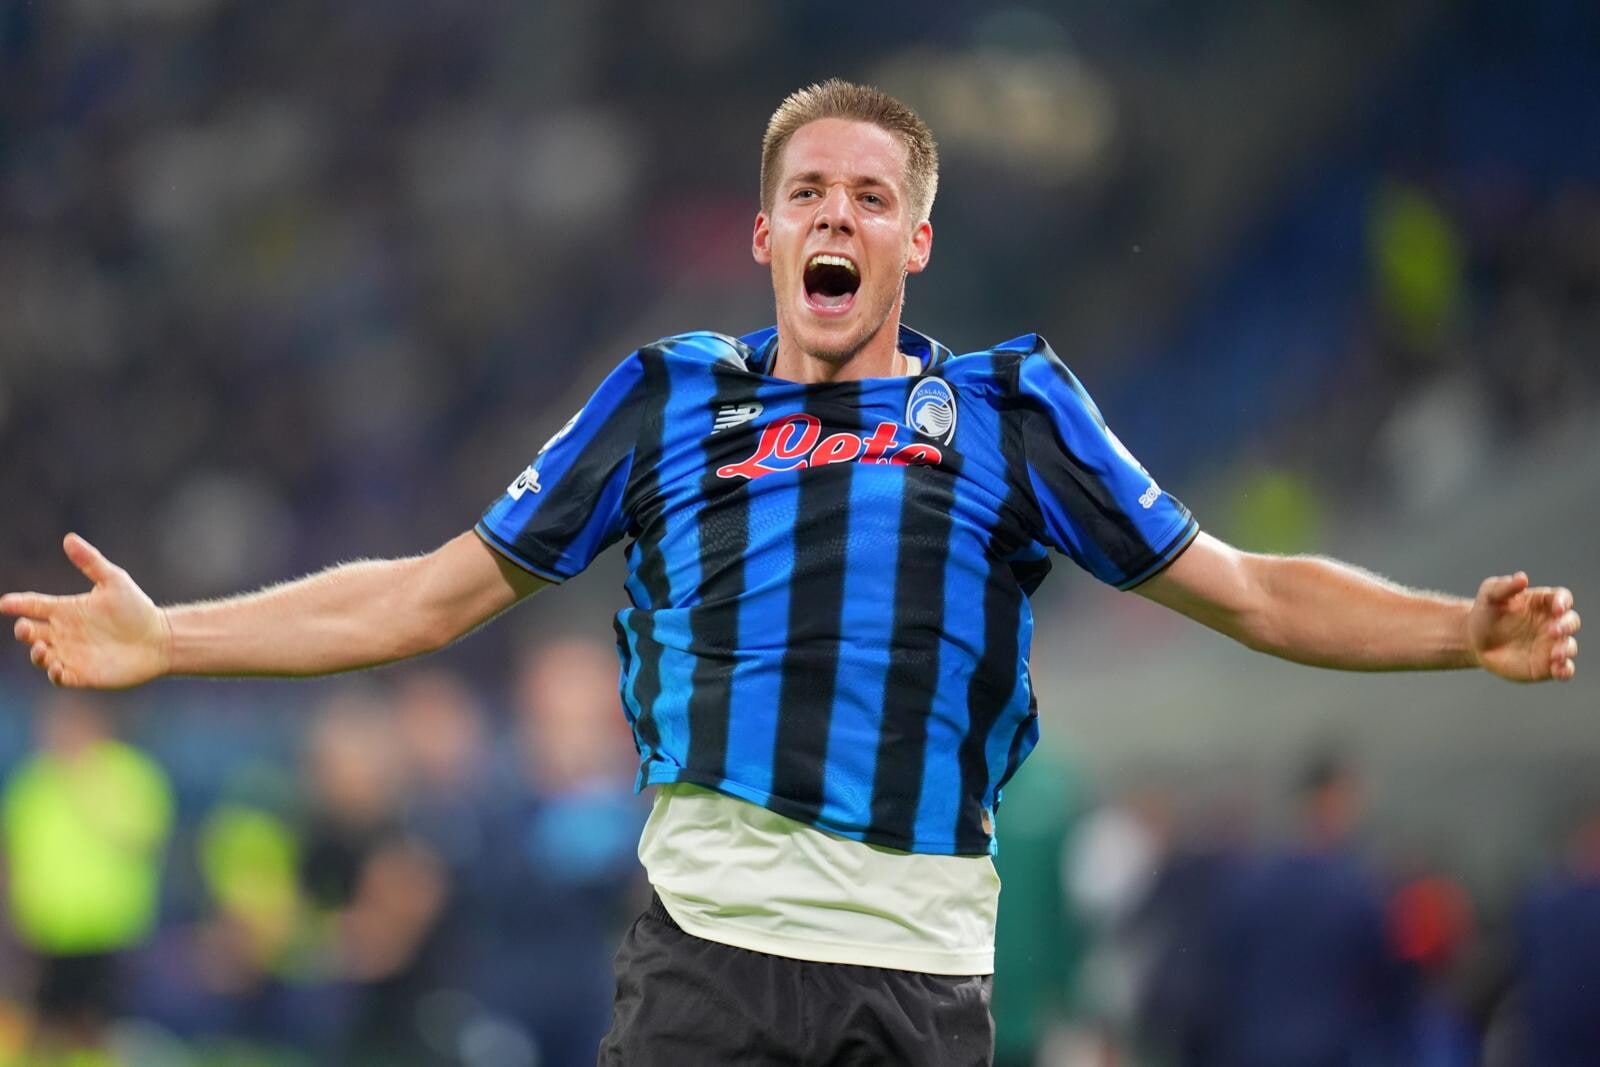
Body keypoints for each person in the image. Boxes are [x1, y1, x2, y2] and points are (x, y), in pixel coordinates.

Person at [1, 79, 1582, 1066]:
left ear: (916, 244)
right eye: (808, 194)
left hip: (921, 976)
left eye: (871, 197)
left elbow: (1246, 590)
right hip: (706, 960)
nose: (838, 215)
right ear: (764, 237)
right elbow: (425, 594)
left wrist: (1458, 630)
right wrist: (171, 638)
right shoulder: (666, 400)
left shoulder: (1017, 416)